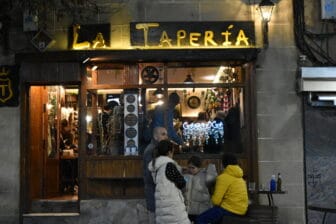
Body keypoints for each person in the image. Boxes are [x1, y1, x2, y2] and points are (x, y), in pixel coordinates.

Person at [195, 153, 248, 224]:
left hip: (229, 210)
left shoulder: (223, 177)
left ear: (223, 164)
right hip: (242, 209)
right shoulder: (239, 177)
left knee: (199, 219)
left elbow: (216, 201)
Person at [148, 139, 190, 224]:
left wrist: (180, 169)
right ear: (170, 152)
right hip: (172, 207)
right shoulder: (169, 165)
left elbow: (166, 177)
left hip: (162, 207)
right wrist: (186, 177)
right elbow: (181, 183)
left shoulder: (156, 165)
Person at [143, 127, 169, 224]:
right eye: (163, 134)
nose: (166, 137)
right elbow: (151, 174)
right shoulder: (152, 151)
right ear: (155, 136)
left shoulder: (157, 149)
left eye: (166, 134)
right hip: (154, 195)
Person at [183, 156, 217, 222]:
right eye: (189, 167)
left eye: (193, 168)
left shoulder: (205, 176)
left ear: (199, 167)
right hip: (188, 211)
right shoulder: (186, 176)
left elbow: (213, 179)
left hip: (202, 211)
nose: (191, 170)